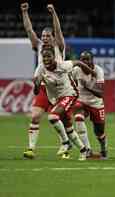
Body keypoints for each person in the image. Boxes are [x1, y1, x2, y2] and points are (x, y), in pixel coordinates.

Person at [21, 3, 68, 159]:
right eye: (44, 36)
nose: (45, 38)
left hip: (60, 88)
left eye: (48, 36)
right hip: (44, 86)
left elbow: (58, 30)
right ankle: (31, 149)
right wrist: (25, 12)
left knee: (63, 121)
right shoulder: (39, 46)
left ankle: (65, 144)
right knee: (35, 116)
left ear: (53, 37)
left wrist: (54, 12)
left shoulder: (59, 46)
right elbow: (29, 30)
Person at [34, 46, 95, 160]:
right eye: (44, 57)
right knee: (68, 128)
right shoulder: (41, 69)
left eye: (49, 56)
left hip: (70, 94)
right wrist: (37, 84)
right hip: (57, 99)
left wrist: (92, 72)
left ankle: (65, 142)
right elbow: (36, 91)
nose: (46, 59)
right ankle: (83, 150)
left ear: (54, 57)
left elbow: (78, 62)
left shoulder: (62, 65)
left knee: (52, 116)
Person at [72, 51, 108, 159]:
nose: (85, 62)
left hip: (96, 103)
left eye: (87, 59)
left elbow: (100, 93)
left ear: (92, 60)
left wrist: (86, 86)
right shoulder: (76, 70)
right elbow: (71, 82)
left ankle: (103, 149)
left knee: (99, 132)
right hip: (81, 101)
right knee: (78, 117)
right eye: (83, 59)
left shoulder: (98, 71)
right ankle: (87, 150)